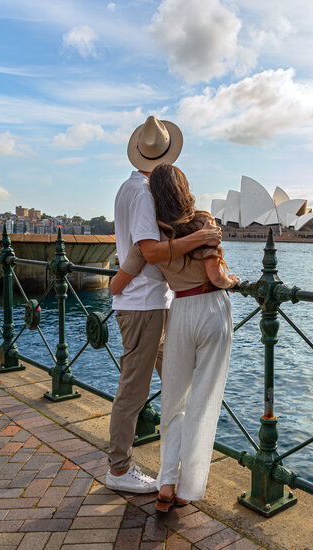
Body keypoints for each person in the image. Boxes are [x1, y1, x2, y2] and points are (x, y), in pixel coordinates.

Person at [111, 164, 239, 511]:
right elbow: (214, 273)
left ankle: (166, 482)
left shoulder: (158, 231)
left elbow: (121, 277)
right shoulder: (201, 224)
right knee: (201, 400)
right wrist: (233, 280)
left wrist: (116, 291)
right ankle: (183, 485)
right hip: (204, 308)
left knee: (172, 400)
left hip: (178, 311)